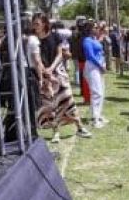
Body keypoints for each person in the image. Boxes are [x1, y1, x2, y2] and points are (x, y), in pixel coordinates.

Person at [30, 14, 92, 142]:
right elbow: (36, 60)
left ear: (44, 24)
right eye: (34, 23)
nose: (34, 26)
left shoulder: (55, 36)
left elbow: (60, 54)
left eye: (37, 23)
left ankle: (79, 127)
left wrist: (51, 69)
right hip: (43, 75)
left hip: (58, 72)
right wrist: (45, 73)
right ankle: (55, 132)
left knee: (68, 101)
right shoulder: (33, 39)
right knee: (49, 105)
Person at [82, 23, 108, 128]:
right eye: (95, 27)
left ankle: (98, 115)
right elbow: (90, 56)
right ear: (90, 29)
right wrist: (100, 66)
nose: (98, 29)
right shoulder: (87, 40)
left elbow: (100, 52)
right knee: (97, 93)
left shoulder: (94, 39)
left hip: (99, 66)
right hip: (92, 67)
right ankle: (94, 118)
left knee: (101, 91)